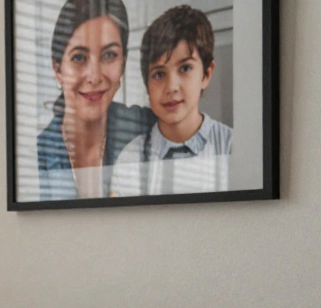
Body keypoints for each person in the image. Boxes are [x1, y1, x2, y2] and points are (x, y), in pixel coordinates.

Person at [37, 0, 154, 201]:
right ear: (58, 69)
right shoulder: (36, 155)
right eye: (79, 57)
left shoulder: (149, 129)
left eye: (109, 55)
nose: (95, 76)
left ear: (123, 64)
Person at [111, 5, 233, 197]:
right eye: (159, 74)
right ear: (146, 85)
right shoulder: (131, 158)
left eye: (185, 68)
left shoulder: (230, 146)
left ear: (206, 74)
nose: (171, 87)